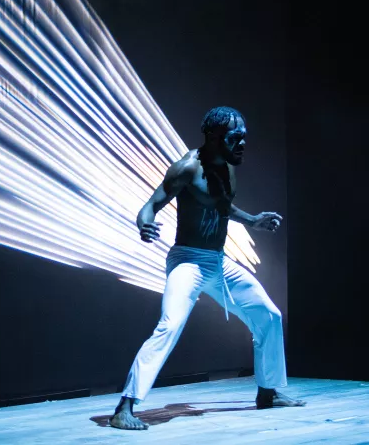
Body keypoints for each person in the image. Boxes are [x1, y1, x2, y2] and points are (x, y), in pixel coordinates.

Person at [110, 106, 305, 431]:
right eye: (234, 138)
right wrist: (145, 225)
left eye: (243, 137)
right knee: (170, 326)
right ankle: (124, 407)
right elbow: (151, 205)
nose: (241, 143)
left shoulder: (227, 166)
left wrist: (253, 221)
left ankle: (268, 393)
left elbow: (222, 205)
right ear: (214, 137)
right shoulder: (186, 168)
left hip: (218, 261)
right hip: (188, 260)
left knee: (269, 316)